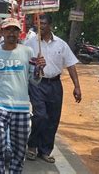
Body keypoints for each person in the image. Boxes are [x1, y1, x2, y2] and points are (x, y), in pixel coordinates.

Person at [0, 18, 45, 174]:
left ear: (20, 33)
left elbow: (34, 80)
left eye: (15, 30)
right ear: (2, 32)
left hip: (21, 108)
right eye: (8, 30)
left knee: (20, 149)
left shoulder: (27, 52)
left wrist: (39, 69)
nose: (11, 33)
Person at [25, 14, 81, 163]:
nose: (40, 26)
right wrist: (35, 64)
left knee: (53, 119)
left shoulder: (61, 44)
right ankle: (32, 145)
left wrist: (77, 86)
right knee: (40, 115)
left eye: (43, 23)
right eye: (38, 23)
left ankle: (45, 150)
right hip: (37, 83)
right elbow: (24, 63)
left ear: (50, 25)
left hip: (55, 85)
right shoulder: (30, 43)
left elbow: (70, 64)